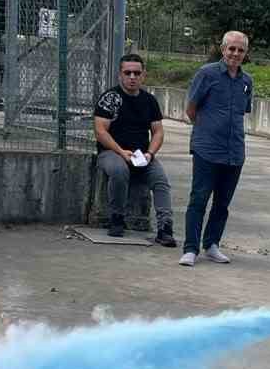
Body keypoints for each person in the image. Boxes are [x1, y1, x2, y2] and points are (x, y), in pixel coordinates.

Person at [180, 30, 255, 267]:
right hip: (207, 149)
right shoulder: (207, 73)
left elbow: (243, 112)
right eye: (231, 48)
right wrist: (206, 131)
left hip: (234, 151)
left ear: (245, 53)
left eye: (240, 50)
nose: (235, 53)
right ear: (223, 49)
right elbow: (191, 109)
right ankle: (190, 249)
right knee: (199, 198)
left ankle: (212, 244)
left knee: (223, 203)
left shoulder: (246, 82)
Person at [93, 53, 176, 246]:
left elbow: (158, 132)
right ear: (120, 75)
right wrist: (122, 152)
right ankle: (117, 218)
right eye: (127, 72)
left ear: (143, 75)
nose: (132, 77)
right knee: (119, 170)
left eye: (136, 73)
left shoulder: (149, 101)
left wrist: (150, 154)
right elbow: (100, 131)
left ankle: (165, 227)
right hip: (112, 153)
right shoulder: (110, 98)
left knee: (161, 180)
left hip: (141, 155)